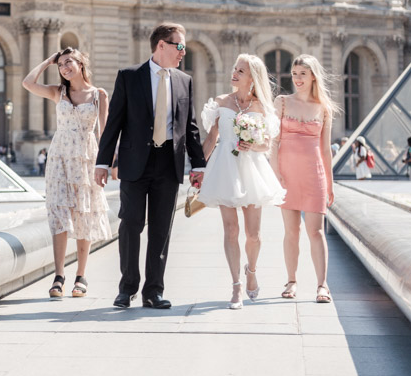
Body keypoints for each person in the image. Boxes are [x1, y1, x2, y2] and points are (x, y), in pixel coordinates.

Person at [95, 22, 206, 309]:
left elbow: (190, 127)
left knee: (161, 229)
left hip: (169, 163)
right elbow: (114, 124)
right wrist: (103, 162)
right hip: (134, 163)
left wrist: (199, 166)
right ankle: (127, 287)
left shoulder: (184, 80)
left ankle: (153, 291)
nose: (183, 51)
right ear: (161, 45)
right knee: (130, 224)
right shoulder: (129, 77)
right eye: (179, 45)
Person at [197, 54, 285, 309]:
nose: (234, 74)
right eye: (235, 69)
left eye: (241, 71)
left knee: (253, 235)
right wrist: (198, 169)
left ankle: (252, 270)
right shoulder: (220, 102)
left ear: (253, 78)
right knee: (231, 230)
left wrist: (253, 144)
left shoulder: (261, 108)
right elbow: (212, 138)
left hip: (252, 171)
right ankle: (236, 286)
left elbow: (267, 145)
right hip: (225, 167)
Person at [23, 47, 111, 299]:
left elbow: (103, 133)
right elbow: (28, 83)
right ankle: (59, 275)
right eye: (61, 64)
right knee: (60, 213)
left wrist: (103, 164)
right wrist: (47, 61)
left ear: (81, 63)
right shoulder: (57, 92)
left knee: (84, 213)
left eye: (69, 62)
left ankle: (81, 275)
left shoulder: (99, 95)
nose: (64, 67)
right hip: (59, 158)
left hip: (86, 156)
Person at [271, 55, 337, 304]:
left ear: (313, 77)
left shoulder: (324, 107)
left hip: (314, 174)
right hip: (286, 174)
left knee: (316, 232)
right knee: (291, 231)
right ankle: (291, 280)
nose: (297, 78)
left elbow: (326, 149)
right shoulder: (282, 102)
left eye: (302, 74)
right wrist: (275, 173)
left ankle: (322, 285)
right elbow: (274, 142)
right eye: (294, 73)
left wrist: (330, 183)